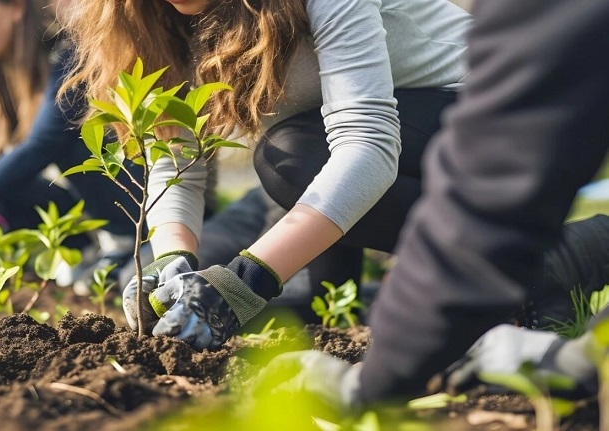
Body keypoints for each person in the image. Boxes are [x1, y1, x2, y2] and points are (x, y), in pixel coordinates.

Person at [250, 0, 609, 411]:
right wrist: (584, 362)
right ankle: (554, 266)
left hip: (446, 104)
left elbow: (500, 178)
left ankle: (556, 264)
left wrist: (378, 379)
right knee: (294, 155)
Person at [61, 0, 474, 345]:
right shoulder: (152, 18)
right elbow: (175, 157)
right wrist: (170, 258)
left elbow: (368, 144)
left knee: (288, 157)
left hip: (504, 125)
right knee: (315, 313)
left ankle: (516, 261)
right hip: (365, 144)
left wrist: (245, 281)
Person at [0, 0, 144, 273]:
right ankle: (69, 251)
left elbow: (41, 146)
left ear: (16, 7)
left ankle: (120, 243)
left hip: (117, 199)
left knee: (69, 140)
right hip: (66, 203)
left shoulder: (70, 56)